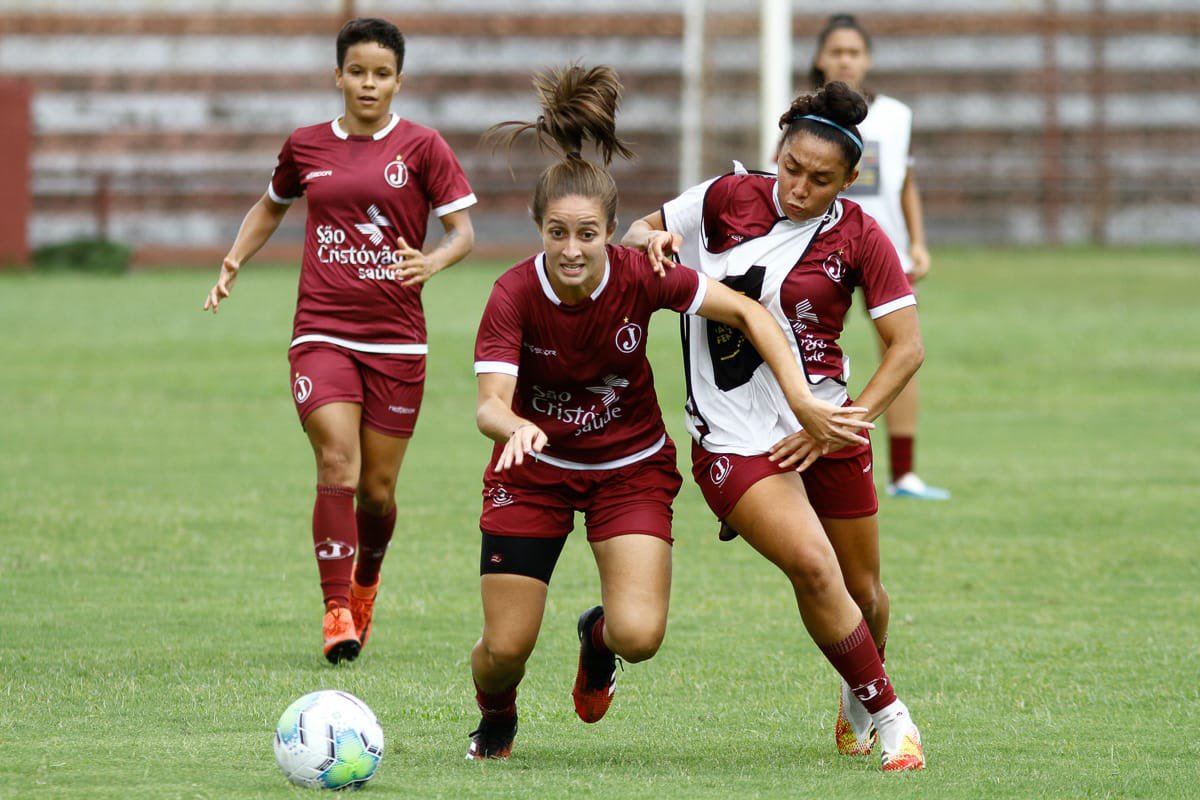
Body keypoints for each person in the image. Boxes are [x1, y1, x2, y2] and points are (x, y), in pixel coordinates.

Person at [465, 64, 872, 761]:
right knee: (504, 648)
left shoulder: (642, 276)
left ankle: (596, 642)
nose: (571, 249)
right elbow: (489, 408)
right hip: (533, 473)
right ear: (537, 228)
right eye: (557, 233)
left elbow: (744, 310)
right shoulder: (511, 294)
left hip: (628, 471)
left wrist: (803, 399)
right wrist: (516, 426)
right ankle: (497, 716)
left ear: (612, 232)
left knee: (639, 636)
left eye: (587, 234)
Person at [623, 81, 926, 771]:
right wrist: (655, 238)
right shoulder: (723, 199)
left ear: (850, 179)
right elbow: (636, 231)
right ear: (777, 153)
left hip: (825, 428)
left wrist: (841, 423)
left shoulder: (860, 234)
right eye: (791, 168)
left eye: (821, 180)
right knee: (815, 568)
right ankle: (893, 717)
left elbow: (907, 347)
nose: (799, 188)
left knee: (867, 595)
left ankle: (855, 695)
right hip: (733, 438)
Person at [202, 18, 477, 664]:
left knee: (375, 493)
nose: (368, 84)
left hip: (398, 342)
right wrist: (234, 258)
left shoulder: (423, 147)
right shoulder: (305, 146)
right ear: (338, 76)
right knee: (336, 462)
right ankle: (334, 612)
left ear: (398, 80)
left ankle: (365, 581)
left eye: (381, 74)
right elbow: (271, 205)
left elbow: (462, 231)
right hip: (321, 331)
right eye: (357, 72)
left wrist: (432, 263)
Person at [810, 12, 949, 500]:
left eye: (854, 51)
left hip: (880, 250)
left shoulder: (894, 116)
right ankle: (789, 458)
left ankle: (903, 473)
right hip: (818, 250)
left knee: (901, 351)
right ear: (819, 58)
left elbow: (906, 183)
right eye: (836, 51)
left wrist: (917, 241)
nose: (845, 59)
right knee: (804, 350)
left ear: (867, 60)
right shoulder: (804, 116)